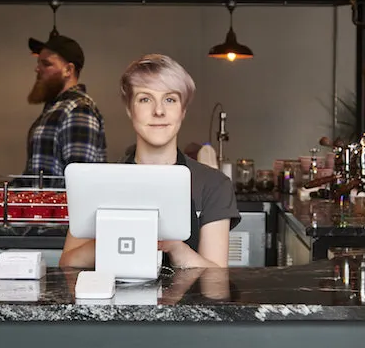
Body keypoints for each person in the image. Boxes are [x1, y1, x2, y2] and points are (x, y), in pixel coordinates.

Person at [59, 54, 240, 269]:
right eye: (145, 99)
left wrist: (175, 248)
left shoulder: (214, 185)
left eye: (170, 99)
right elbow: (68, 263)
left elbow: (217, 279)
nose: (159, 111)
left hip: (191, 303)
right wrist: (116, 237)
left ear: (183, 111)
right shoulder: (99, 182)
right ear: (129, 109)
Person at [24, 34, 106, 179]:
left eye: (46, 64)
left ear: (68, 70)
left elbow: (81, 182)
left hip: (60, 203)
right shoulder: (57, 108)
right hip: (41, 202)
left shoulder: (78, 110)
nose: (38, 69)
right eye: (38, 63)